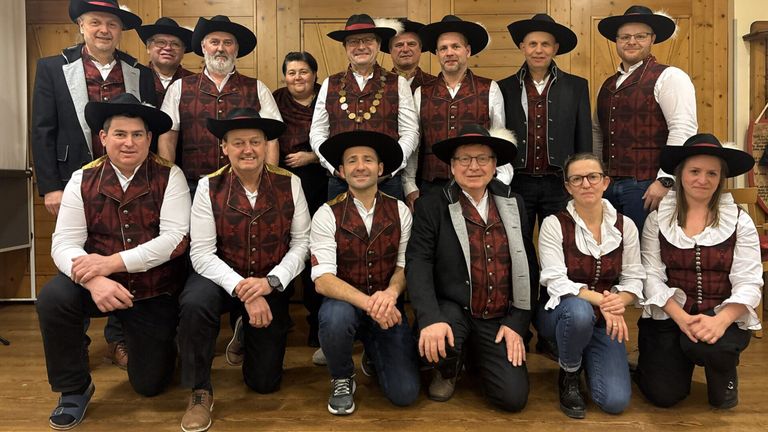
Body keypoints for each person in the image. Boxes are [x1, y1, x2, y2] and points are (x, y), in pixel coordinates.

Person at [35, 93, 190, 430]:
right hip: (98, 284)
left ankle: (162, 347)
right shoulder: (82, 178)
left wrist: (110, 264)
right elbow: (63, 243)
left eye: (137, 134)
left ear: (149, 138)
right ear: (103, 138)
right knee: (53, 298)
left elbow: (175, 240)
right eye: (120, 134)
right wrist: (93, 279)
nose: (129, 142)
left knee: (150, 385)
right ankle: (73, 389)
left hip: (152, 290)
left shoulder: (171, 176)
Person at [32, 0, 157, 372]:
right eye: (96, 22)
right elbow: (42, 130)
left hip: (129, 182)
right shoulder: (52, 68)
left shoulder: (139, 72)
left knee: (124, 252)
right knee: (76, 255)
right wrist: (50, 186)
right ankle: (76, 339)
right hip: (74, 180)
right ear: (81, 26)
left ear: (120, 31)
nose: (104, 30)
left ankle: (118, 338)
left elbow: (145, 129)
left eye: (112, 24)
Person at [178, 108, 310, 432]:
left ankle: (244, 330)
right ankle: (199, 391)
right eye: (238, 143)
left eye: (255, 141)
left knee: (264, 383)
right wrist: (244, 290)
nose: (247, 149)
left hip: (269, 281)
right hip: (220, 279)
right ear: (224, 147)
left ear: (266, 145)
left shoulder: (290, 183)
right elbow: (201, 253)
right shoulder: (208, 187)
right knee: (194, 303)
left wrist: (271, 282)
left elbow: (302, 244)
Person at [406, 124, 538, 411]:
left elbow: (528, 263)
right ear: (452, 166)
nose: (473, 166)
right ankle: (447, 368)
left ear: (494, 164)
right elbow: (418, 264)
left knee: (512, 399)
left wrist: (518, 321)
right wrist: (429, 317)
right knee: (438, 339)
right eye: (464, 159)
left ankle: (477, 355)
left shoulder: (514, 203)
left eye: (482, 158)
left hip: (497, 315)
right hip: (452, 310)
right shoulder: (431, 206)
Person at [636, 133, 762, 409]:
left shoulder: (738, 220)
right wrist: (681, 318)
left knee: (716, 360)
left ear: (721, 178)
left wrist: (721, 320)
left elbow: (749, 280)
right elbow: (651, 275)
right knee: (663, 395)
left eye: (711, 173)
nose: (702, 180)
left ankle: (724, 372)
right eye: (695, 171)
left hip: (720, 314)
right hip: (673, 315)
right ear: (680, 174)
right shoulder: (658, 219)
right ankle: (675, 360)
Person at [310, 130, 420, 415]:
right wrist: (370, 303)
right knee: (335, 318)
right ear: (341, 171)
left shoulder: (400, 211)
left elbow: (404, 266)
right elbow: (323, 281)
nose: (360, 166)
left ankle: (373, 352)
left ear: (380, 168)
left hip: (386, 304)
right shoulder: (326, 213)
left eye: (368, 160)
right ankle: (342, 376)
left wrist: (392, 293)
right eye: (352, 161)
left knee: (405, 394)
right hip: (346, 305)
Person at [536, 153, 645, 418]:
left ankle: (582, 351)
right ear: (568, 187)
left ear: (605, 182)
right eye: (577, 179)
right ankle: (570, 373)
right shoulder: (554, 224)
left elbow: (633, 278)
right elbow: (557, 282)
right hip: (560, 313)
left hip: (603, 317)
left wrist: (618, 302)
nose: (586, 184)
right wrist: (604, 302)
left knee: (615, 401)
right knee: (579, 312)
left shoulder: (626, 226)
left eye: (593, 177)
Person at [593, 5, 698, 233]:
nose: (631, 42)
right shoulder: (607, 85)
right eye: (625, 37)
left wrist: (665, 180)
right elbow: (598, 133)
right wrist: (597, 177)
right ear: (616, 41)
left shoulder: (670, 76)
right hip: (608, 187)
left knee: (647, 249)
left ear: (652, 39)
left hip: (648, 186)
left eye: (640, 36)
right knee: (613, 248)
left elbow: (683, 129)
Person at [159, 15, 282, 193]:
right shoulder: (179, 88)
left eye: (228, 43)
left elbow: (271, 140)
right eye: (214, 42)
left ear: (236, 49)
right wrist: (167, 182)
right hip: (193, 187)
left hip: (247, 186)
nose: (221, 48)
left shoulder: (257, 88)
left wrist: (268, 182)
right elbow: (168, 139)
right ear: (204, 47)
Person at [402, 15, 512, 210]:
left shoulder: (489, 88)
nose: (449, 53)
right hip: (432, 186)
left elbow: (499, 137)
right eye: (443, 48)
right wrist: (409, 185)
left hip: (477, 185)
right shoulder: (421, 92)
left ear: (467, 51)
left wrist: (500, 181)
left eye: (455, 46)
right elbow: (415, 143)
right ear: (437, 53)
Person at [499, 14, 591, 239]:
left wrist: (582, 178)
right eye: (533, 44)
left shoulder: (576, 86)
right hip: (518, 181)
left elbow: (584, 138)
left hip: (559, 182)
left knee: (562, 240)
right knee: (517, 242)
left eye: (545, 44)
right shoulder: (504, 87)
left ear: (555, 48)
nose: (538, 50)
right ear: (522, 47)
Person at [309, 14, 419, 200]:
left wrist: (391, 167)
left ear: (378, 44)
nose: (361, 47)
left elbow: (410, 132)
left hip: (387, 182)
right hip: (340, 182)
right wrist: (333, 167)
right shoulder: (330, 83)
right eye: (353, 41)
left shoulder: (398, 83)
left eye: (368, 40)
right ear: (345, 47)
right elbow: (318, 132)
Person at [272, 51, 328, 359]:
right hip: (284, 185)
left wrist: (313, 157)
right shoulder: (275, 99)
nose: (297, 78)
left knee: (316, 251)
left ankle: (317, 324)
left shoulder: (328, 97)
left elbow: (339, 137)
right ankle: (279, 320)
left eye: (304, 71)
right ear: (285, 76)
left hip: (322, 181)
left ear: (315, 75)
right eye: (291, 72)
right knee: (283, 248)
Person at [136, 17, 194, 108]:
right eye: (161, 42)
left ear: (183, 51)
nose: (168, 48)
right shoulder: (135, 78)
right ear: (148, 48)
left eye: (175, 44)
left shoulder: (194, 82)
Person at [380, 18, 437, 93]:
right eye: (399, 45)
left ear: (420, 48)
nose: (405, 49)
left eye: (411, 44)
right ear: (390, 50)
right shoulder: (377, 86)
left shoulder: (436, 85)